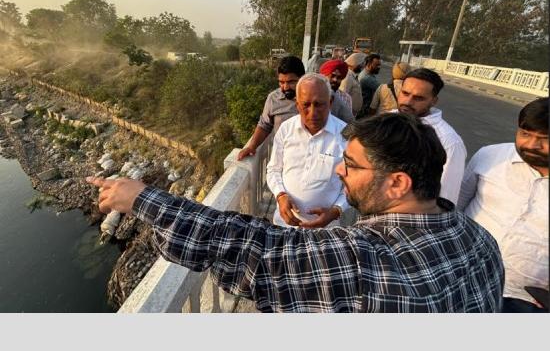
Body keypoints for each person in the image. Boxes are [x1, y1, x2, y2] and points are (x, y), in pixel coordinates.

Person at [86, 113, 504, 313]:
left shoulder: (364, 260)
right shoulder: (481, 241)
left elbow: (246, 246)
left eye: (351, 165)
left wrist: (143, 199)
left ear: (397, 184)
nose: (340, 170)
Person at [458, 97, 549, 313]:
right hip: (461, 278)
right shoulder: (491, 156)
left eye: (545, 139)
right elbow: (456, 208)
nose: (532, 145)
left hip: (524, 299)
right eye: (525, 134)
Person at [266, 73, 348, 228]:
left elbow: (354, 185)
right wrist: (280, 195)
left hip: (326, 230)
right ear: (297, 104)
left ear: (330, 103)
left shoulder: (345, 136)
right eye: (306, 105)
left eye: (319, 104)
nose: (313, 112)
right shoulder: (286, 129)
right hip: (284, 225)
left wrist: (336, 210)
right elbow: (273, 169)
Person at [397, 68, 466, 205]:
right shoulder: (386, 120)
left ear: (434, 101)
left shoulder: (449, 141)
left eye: (418, 98)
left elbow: (445, 198)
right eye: (405, 93)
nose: (408, 102)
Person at [237, 56, 304, 161]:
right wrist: (252, 146)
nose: (285, 87)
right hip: (282, 159)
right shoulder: (273, 99)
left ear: (302, 78)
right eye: (281, 82)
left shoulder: (315, 98)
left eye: (291, 82)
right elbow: (264, 125)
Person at [357, 53, 382, 118]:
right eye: (377, 65)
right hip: (364, 112)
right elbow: (383, 89)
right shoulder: (367, 78)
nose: (379, 67)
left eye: (379, 65)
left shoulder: (367, 74)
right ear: (368, 64)